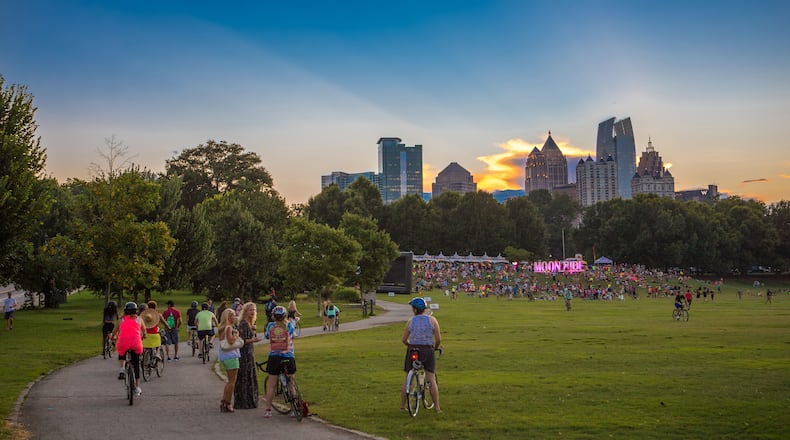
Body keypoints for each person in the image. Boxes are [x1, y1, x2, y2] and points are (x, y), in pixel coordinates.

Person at [401, 297, 441, 413]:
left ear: (414, 310)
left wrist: (410, 345)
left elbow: (404, 339)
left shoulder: (410, 321)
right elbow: (438, 339)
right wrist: (435, 347)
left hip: (413, 350)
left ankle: (402, 406)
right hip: (427, 350)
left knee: (407, 376)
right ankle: (437, 407)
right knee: (431, 377)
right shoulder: (432, 320)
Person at [263, 305, 297, 418]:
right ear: (285, 315)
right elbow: (294, 336)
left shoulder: (270, 326)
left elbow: (267, 337)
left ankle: (268, 410)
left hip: (274, 357)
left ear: (273, 316)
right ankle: (294, 408)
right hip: (288, 356)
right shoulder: (289, 325)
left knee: (271, 385)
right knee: (291, 383)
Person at [234, 302, 262, 409]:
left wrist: (253, 330)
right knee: (244, 375)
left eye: (254, 310)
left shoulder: (249, 323)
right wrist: (253, 339)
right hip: (244, 353)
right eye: (250, 310)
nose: (253, 312)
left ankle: (250, 400)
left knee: (249, 374)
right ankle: (243, 401)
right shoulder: (243, 323)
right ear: (245, 311)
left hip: (250, 352)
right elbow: (241, 340)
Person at [113, 302, 145, 396]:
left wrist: (113, 337)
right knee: (136, 365)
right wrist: (143, 336)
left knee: (121, 349)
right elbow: (144, 331)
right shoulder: (139, 319)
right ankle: (138, 387)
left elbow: (114, 331)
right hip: (136, 344)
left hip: (123, 343)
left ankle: (122, 369)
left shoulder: (121, 320)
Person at [217, 308, 242, 412]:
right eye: (231, 315)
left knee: (230, 381)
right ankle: (227, 402)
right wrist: (236, 335)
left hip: (226, 356)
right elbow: (231, 341)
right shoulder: (228, 328)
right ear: (227, 317)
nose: (234, 317)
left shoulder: (223, 328)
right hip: (231, 355)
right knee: (232, 381)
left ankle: (224, 401)